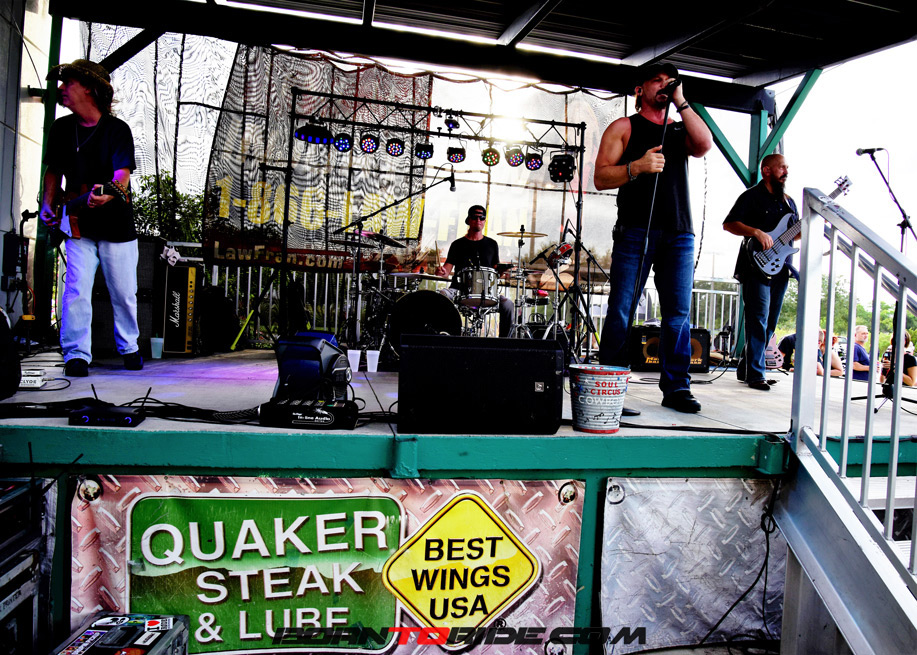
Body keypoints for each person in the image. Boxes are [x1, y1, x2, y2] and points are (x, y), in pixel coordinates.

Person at [593, 62, 712, 413]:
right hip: (635, 230)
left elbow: (704, 144)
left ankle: (676, 388)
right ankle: (610, 385)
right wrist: (637, 167)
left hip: (679, 232)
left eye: (669, 81)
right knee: (621, 309)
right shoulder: (624, 127)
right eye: (657, 80)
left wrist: (681, 100)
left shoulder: (679, 128)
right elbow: (600, 177)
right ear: (639, 89)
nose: (664, 85)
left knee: (678, 314)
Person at [40, 59, 142, 377]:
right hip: (77, 223)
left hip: (116, 225)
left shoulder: (117, 130)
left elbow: (121, 176)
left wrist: (109, 193)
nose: (61, 89)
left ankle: (130, 347)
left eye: (68, 83)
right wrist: (47, 203)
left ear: (88, 88)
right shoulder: (61, 129)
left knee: (123, 292)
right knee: (76, 289)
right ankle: (76, 354)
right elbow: (53, 171)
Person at [723, 154, 798, 391]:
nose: (786, 172)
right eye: (781, 168)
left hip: (780, 267)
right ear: (766, 170)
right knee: (758, 318)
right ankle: (756, 374)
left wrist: (813, 225)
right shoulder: (751, 196)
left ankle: (746, 368)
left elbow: (794, 235)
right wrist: (756, 232)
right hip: (755, 266)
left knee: (771, 322)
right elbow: (729, 224)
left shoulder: (789, 202)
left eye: (787, 168)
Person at [435, 205, 513, 337]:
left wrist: (503, 271)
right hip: (459, 290)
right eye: (475, 217)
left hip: (486, 292)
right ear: (469, 220)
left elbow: (495, 273)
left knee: (508, 305)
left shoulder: (492, 244)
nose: (478, 220)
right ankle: (444, 336)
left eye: (482, 217)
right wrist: (440, 271)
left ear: (485, 221)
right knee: (442, 295)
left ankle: (504, 344)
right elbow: (446, 271)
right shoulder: (457, 244)